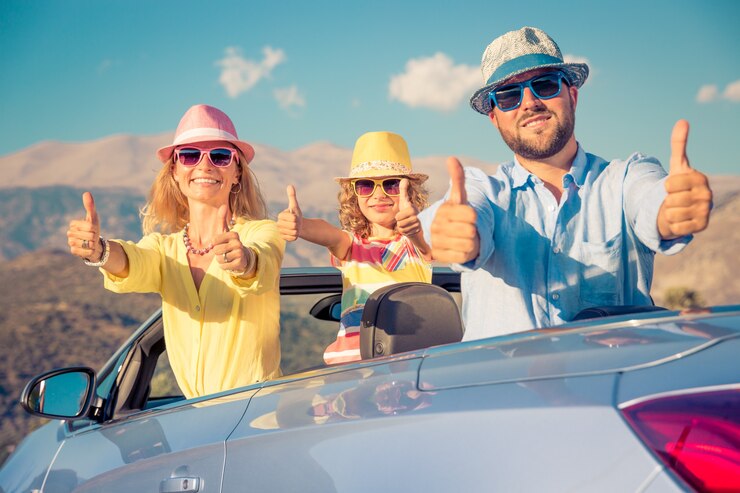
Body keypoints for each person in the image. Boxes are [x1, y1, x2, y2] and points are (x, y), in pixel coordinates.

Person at [420, 26, 713, 340]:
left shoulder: (627, 179)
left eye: (545, 85)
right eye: (509, 96)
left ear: (571, 95)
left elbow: (654, 201)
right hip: (503, 387)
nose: (529, 102)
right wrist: (451, 232)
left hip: (612, 385)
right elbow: (453, 219)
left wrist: (672, 211)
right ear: (495, 117)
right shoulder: (484, 191)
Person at [67, 104, 285, 399]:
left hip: (256, 416)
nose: (205, 166)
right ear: (175, 172)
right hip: (194, 418)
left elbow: (263, 261)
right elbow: (134, 262)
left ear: (237, 173)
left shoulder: (261, 232)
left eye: (220, 156)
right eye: (190, 155)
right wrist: (99, 251)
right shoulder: (164, 250)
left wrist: (245, 261)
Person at [277, 131, 432, 364]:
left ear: (409, 191)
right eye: (366, 186)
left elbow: (427, 247)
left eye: (390, 184)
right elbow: (330, 235)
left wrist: (415, 230)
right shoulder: (351, 246)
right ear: (354, 195)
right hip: (352, 372)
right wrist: (301, 225)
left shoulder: (415, 244)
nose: (378, 195)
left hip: (409, 367)